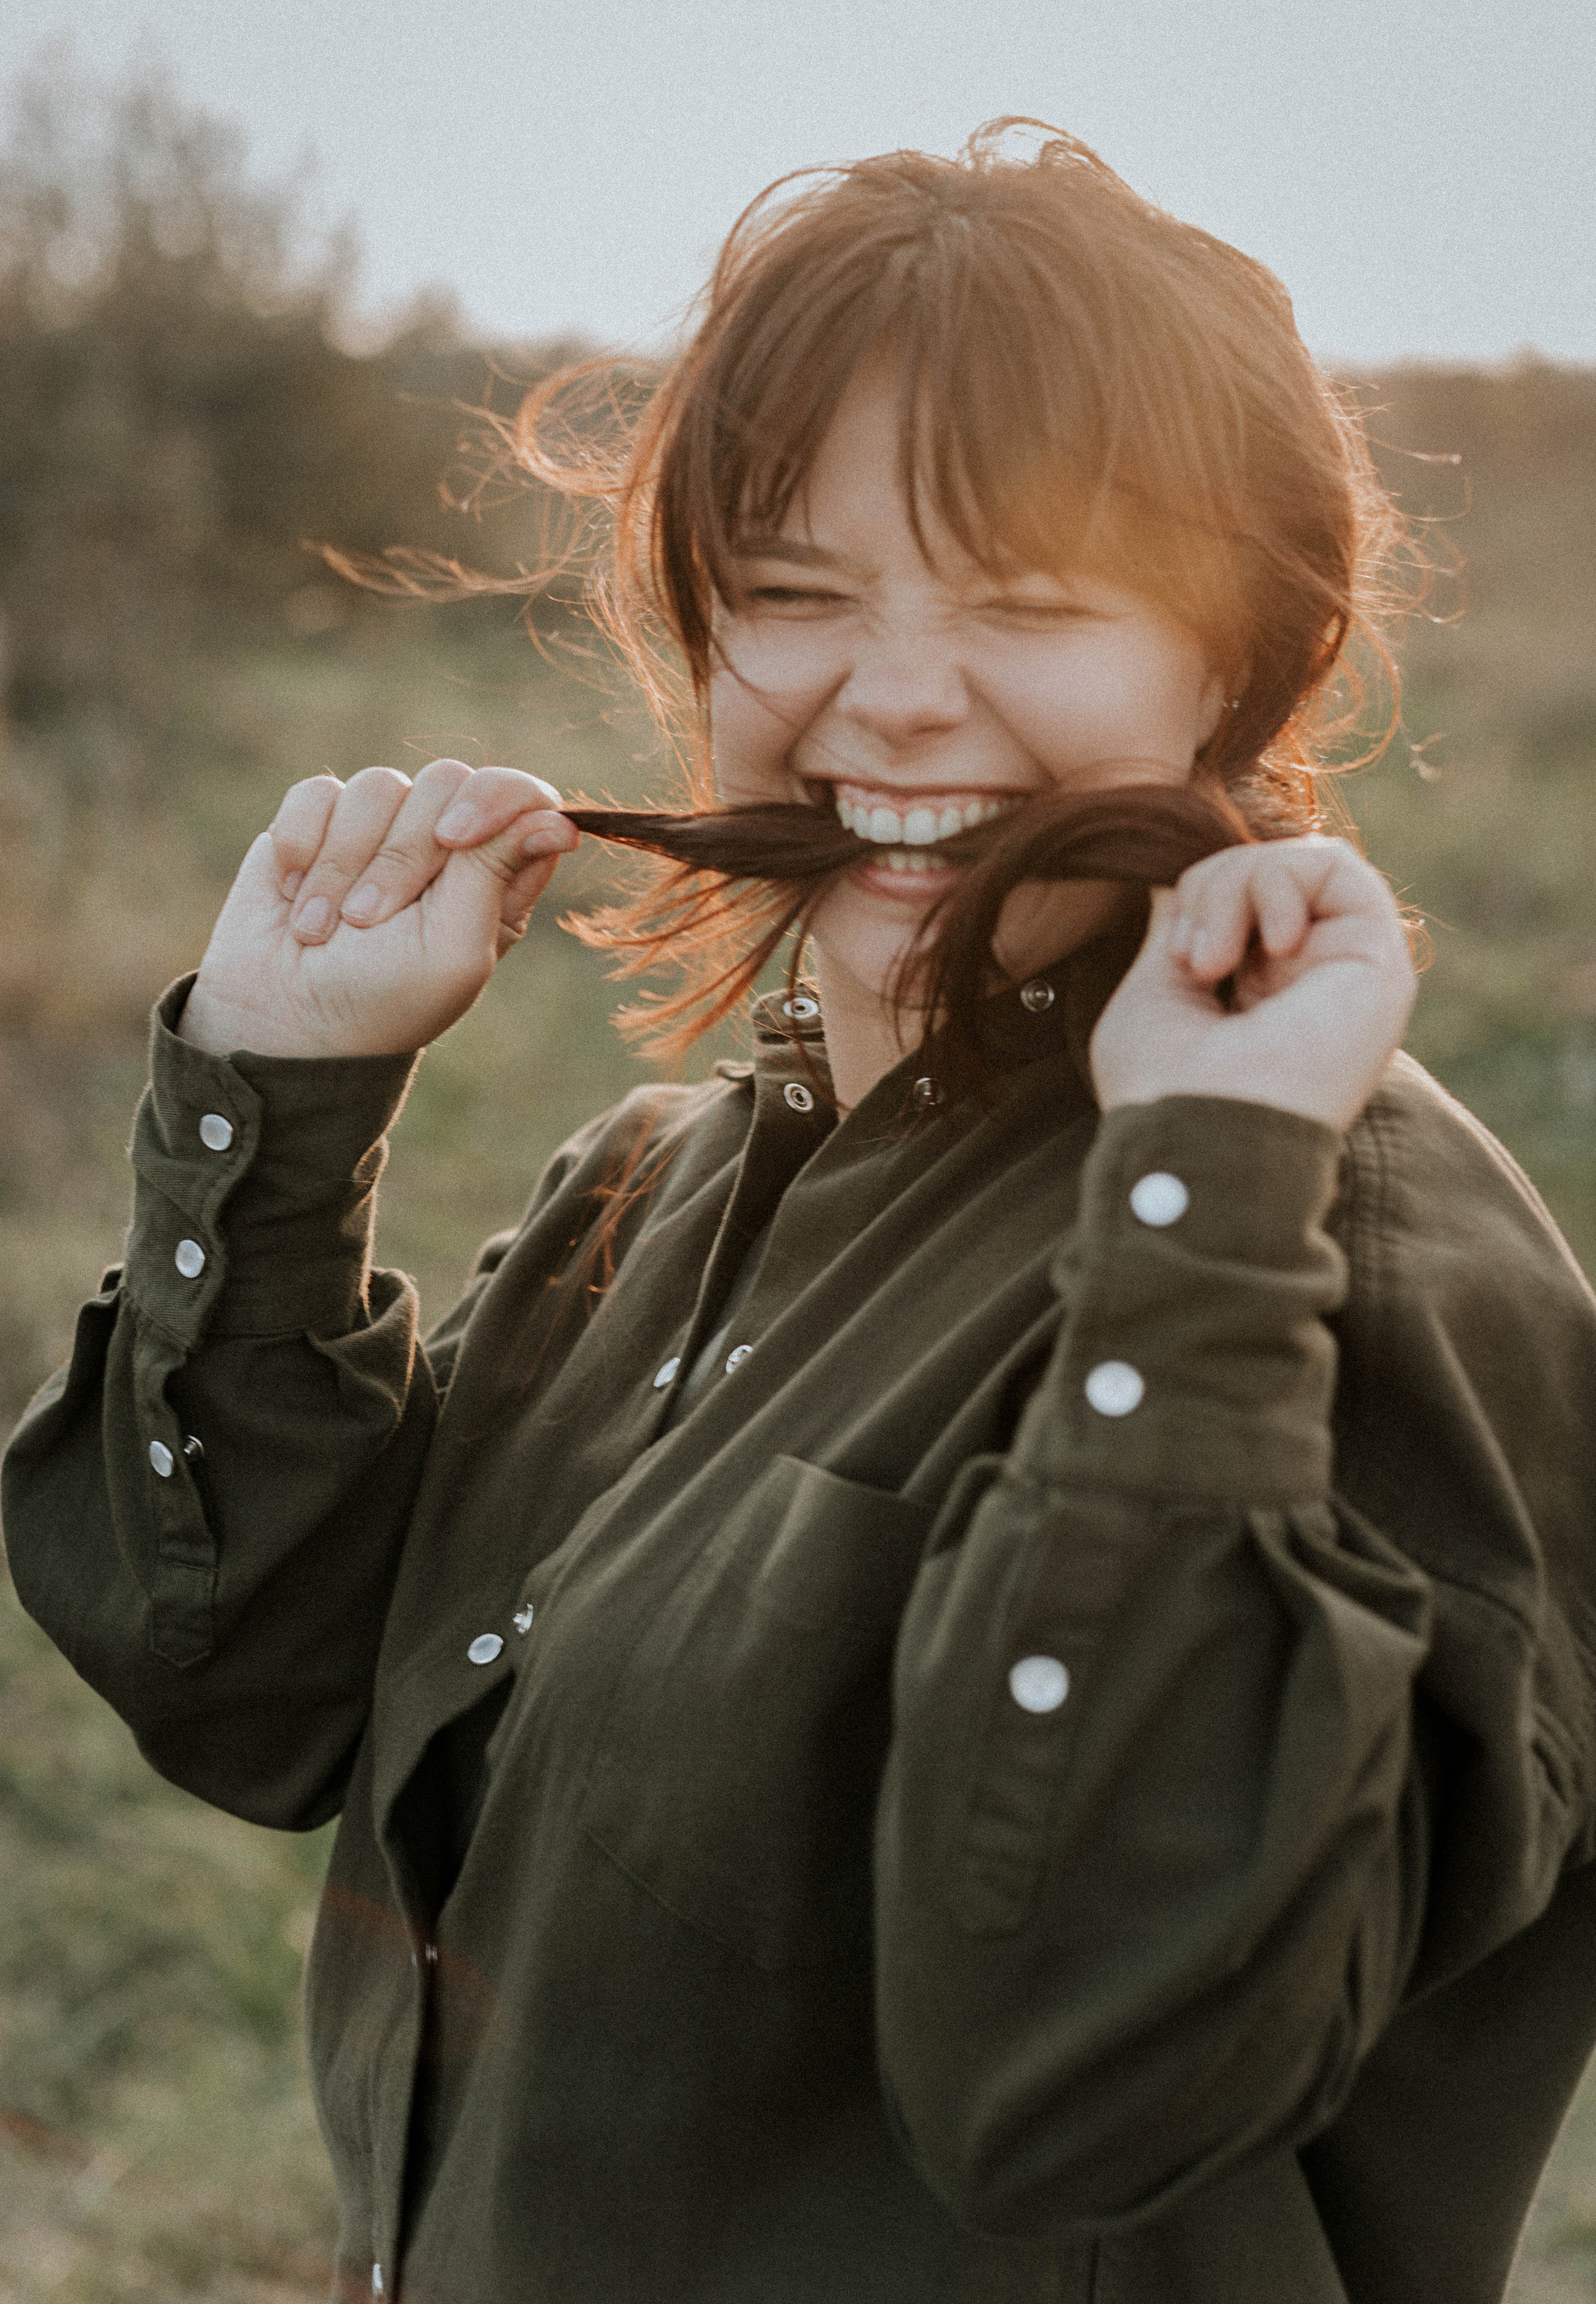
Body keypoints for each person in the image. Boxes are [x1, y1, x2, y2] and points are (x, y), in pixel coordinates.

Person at [4, 122, 1596, 2304]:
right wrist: (280, 1110)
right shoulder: (655, 1191)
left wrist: (1199, 1226)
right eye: (798, 592)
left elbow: (1091, 2076)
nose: (897, 696)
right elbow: (260, 1694)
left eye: (1026, 601)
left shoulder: (1354, 1253)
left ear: (1242, 654)